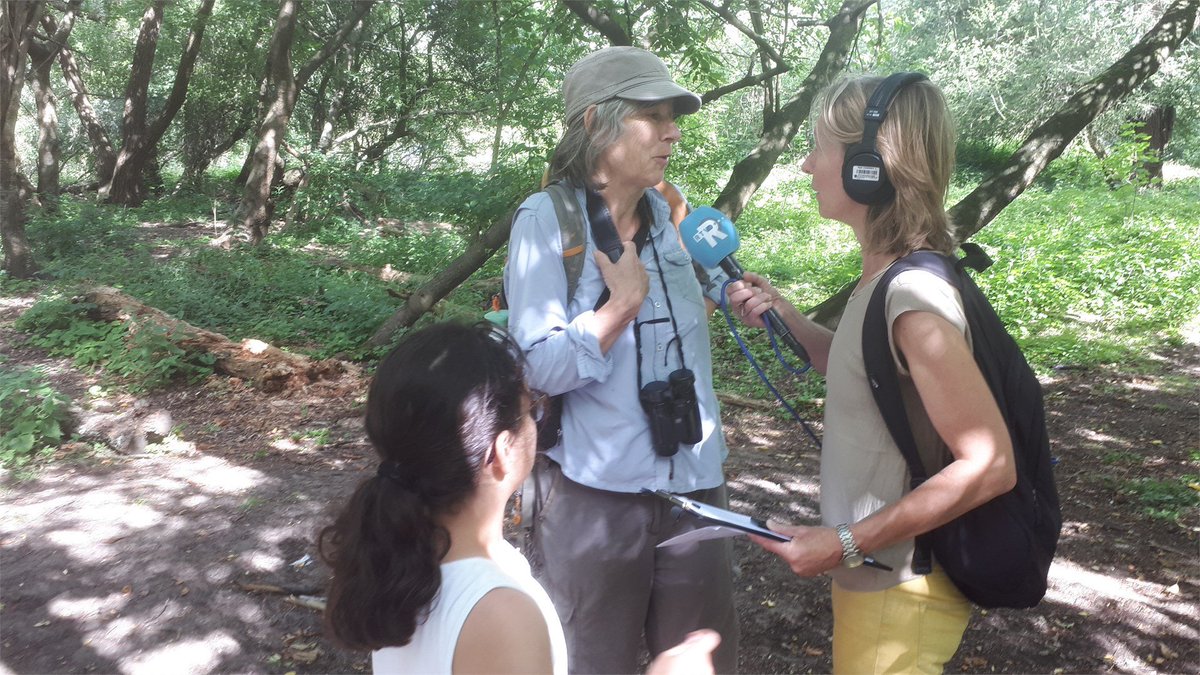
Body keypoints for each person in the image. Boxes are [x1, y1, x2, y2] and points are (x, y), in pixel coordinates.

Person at [728, 74, 1018, 673]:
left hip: (900, 595)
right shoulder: (886, 276)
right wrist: (786, 316)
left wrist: (843, 541)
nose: (807, 165)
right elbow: (865, 368)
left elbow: (989, 466)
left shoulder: (911, 296)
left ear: (870, 167)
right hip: (879, 580)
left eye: (819, 148)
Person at [503, 46, 749, 673]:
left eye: (674, 118)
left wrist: (735, 298)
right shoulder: (549, 220)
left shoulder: (671, 213)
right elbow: (535, 369)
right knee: (592, 658)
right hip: (598, 494)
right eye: (653, 116)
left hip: (697, 481)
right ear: (595, 123)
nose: (672, 133)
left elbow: (694, 304)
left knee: (698, 660)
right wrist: (617, 311)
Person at [319, 321, 720, 674]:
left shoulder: (400, 563)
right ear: (501, 451)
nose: (535, 422)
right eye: (531, 411)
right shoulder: (499, 612)